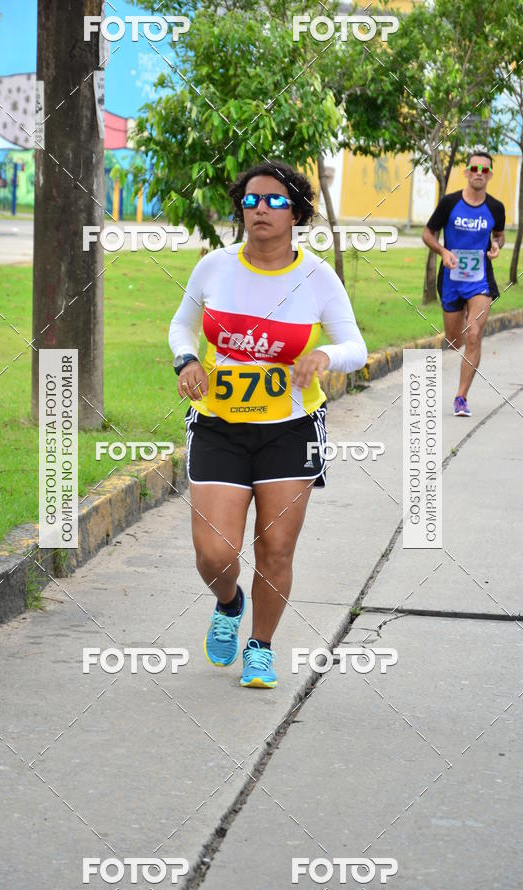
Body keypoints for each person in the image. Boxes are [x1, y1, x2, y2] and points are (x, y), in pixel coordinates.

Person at [169, 160, 367, 689]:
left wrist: (324, 355)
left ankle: (261, 648)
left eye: (275, 200)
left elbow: (356, 347)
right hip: (219, 425)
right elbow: (182, 324)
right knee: (215, 553)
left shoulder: (318, 277)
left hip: (291, 428)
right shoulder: (214, 267)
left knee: (276, 546)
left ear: (297, 213)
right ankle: (229, 603)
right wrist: (187, 360)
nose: (261, 208)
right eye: (252, 200)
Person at [422, 150, 506, 416]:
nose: (479, 174)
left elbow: (500, 236)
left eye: (484, 170)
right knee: (455, 340)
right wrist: (443, 252)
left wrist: (495, 245)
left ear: (490, 175)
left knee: (474, 334)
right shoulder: (449, 203)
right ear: (466, 171)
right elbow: (428, 233)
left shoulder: (495, 207)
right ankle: (461, 325)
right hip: (452, 279)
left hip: (480, 280)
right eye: (475, 169)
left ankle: (461, 397)